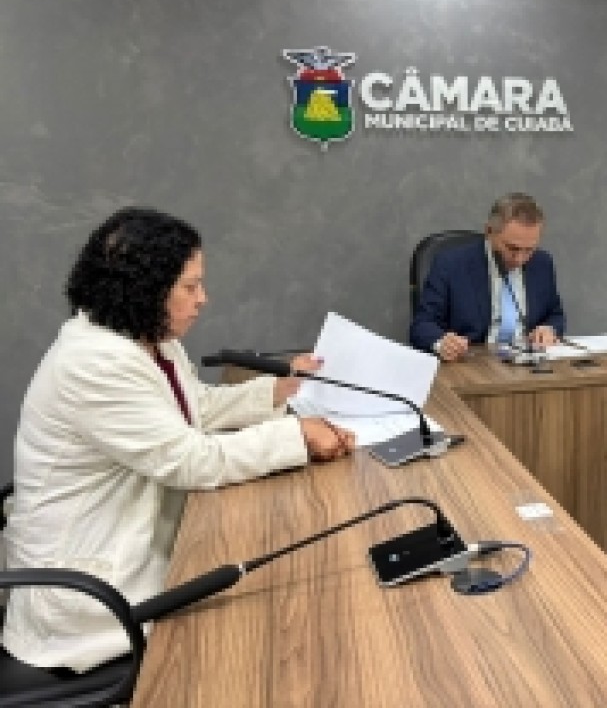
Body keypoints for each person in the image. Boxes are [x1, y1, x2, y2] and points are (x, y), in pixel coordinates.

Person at [2, 207, 356, 673]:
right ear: (145, 289)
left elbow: (195, 409)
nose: (203, 299)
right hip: (87, 593)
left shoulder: (147, 337)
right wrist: (296, 436)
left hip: (132, 542)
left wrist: (278, 391)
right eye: (190, 287)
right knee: (260, 629)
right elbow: (190, 460)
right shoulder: (93, 363)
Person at [410, 193, 566, 361]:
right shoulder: (451, 264)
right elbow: (422, 325)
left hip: (527, 362)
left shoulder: (542, 263)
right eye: (512, 248)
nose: (520, 259)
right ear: (489, 232)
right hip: (470, 362)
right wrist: (442, 343)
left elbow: (555, 314)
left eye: (529, 250)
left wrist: (549, 329)